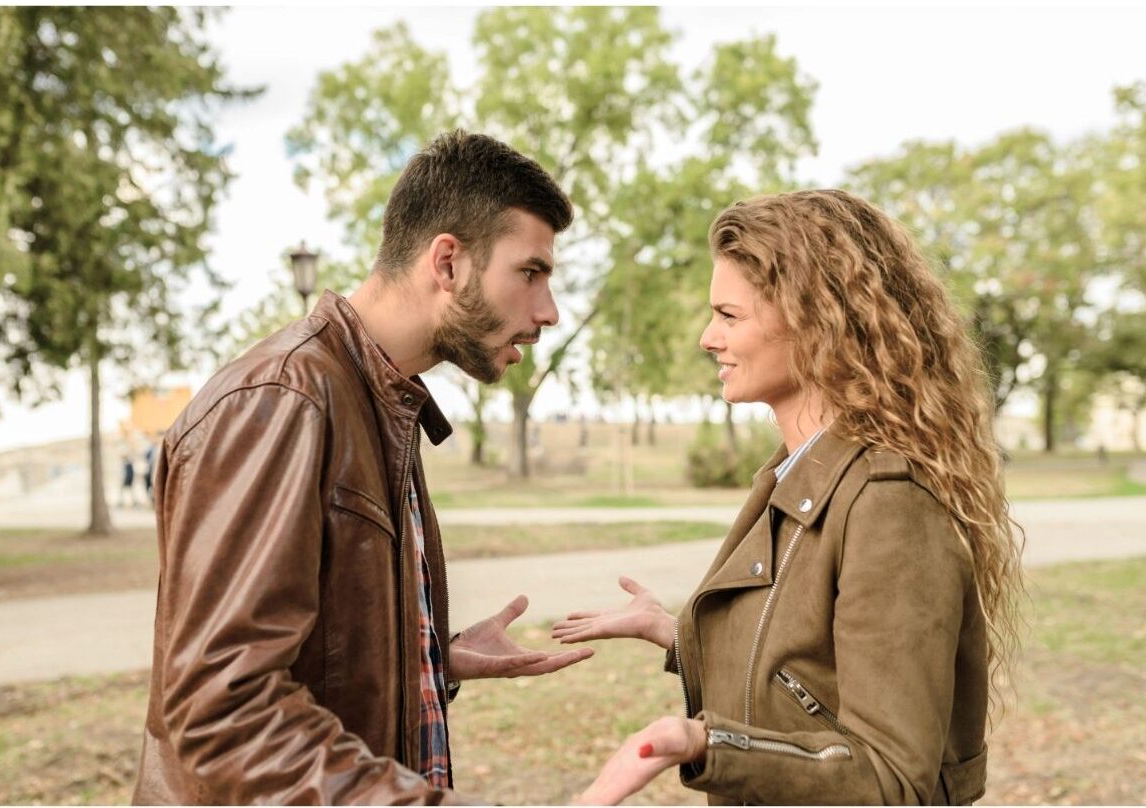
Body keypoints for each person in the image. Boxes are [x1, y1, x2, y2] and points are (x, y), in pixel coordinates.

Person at [131, 130, 593, 805]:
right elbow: (221, 713)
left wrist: (431, 658)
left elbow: (312, 659)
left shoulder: (381, 402)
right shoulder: (283, 401)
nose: (548, 312)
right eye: (531, 272)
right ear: (448, 263)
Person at [558, 190, 1024, 805]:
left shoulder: (890, 501)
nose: (706, 338)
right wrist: (678, 634)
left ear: (815, 321)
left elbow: (891, 779)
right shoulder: (796, 473)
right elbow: (804, 672)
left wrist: (703, 745)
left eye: (729, 316)